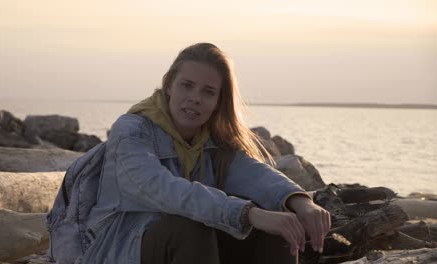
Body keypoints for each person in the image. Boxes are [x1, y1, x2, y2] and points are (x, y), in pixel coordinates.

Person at [81, 43, 330, 264]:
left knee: (278, 226)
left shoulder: (210, 139)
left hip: (187, 247)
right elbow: (164, 190)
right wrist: (247, 213)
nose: (195, 98)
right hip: (119, 248)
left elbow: (254, 172)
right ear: (169, 85)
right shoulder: (132, 130)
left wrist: (300, 201)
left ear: (218, 101)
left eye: (208, 92)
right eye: (187, 86)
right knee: (188, 229)